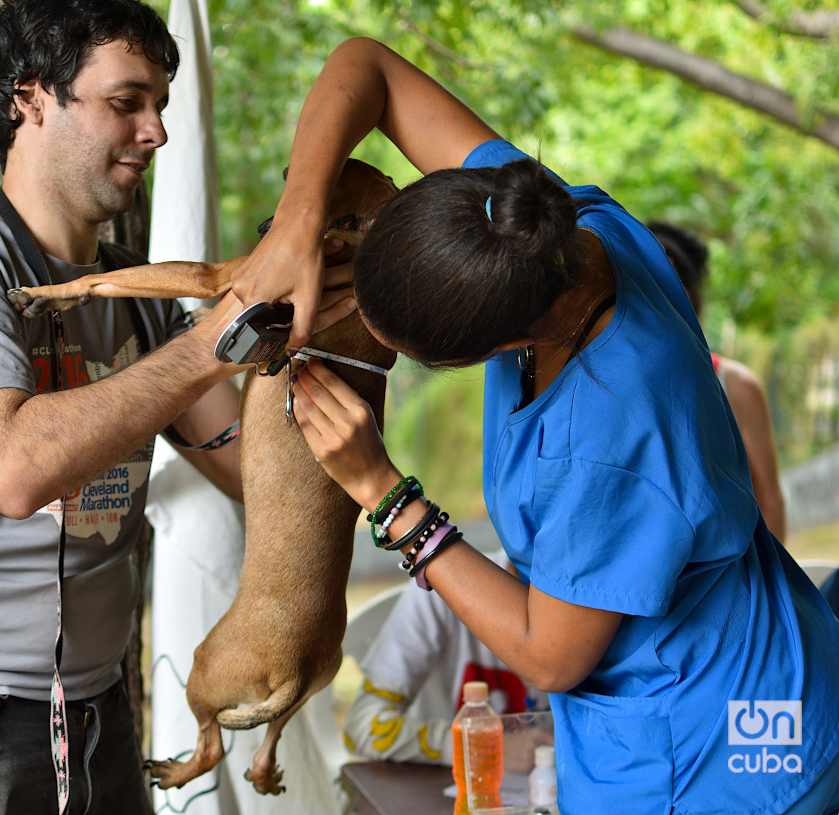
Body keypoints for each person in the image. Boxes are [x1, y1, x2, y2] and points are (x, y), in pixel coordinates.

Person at [232, 37, 839, 814]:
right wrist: (297, 222)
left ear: (504, 345)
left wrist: (383, 493)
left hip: (715, 751)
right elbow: (368, 68)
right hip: (768, 663)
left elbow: (548, 656)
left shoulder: (608, 435)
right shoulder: (542, 229)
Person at [0, 3, 356, 814]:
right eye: (127, 102)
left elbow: (247, 470)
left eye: (159, 105)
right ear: (32, 98)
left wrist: (323, 346)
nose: (154, 132)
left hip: (97, 709)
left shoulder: (143, 299)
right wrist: (213, 340)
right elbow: (14, 470)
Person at [343, 552, 552, 773]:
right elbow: (362, 726)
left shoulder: (585, 604)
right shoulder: (439, 588)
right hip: (441, 788)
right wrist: (482, 747)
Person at [648, 221, 787, 540]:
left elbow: (770, 502)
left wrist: (773, 587)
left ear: (692, 302)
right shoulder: (604, 385)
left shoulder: (734, 385)